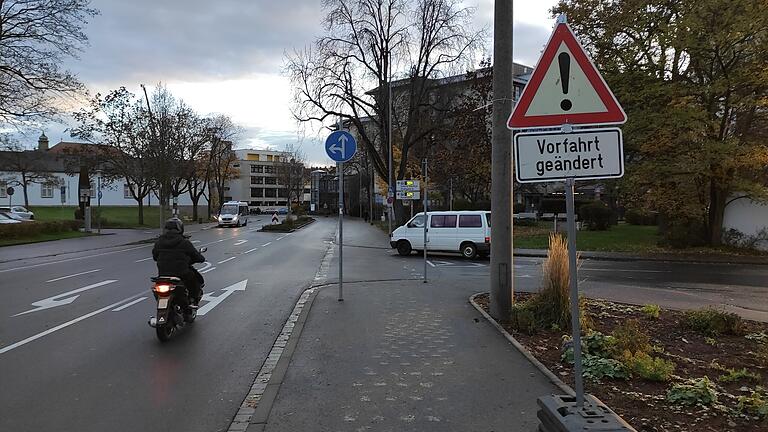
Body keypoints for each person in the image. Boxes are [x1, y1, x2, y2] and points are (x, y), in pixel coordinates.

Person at [152, 218, 205, 308]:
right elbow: (197, 256)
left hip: (163, 275)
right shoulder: (184, 242)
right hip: (181, 274)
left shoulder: (159, 242)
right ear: (180, 229)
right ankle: (192, 301)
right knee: (196, 280)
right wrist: (200, 258)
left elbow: (155, 257)